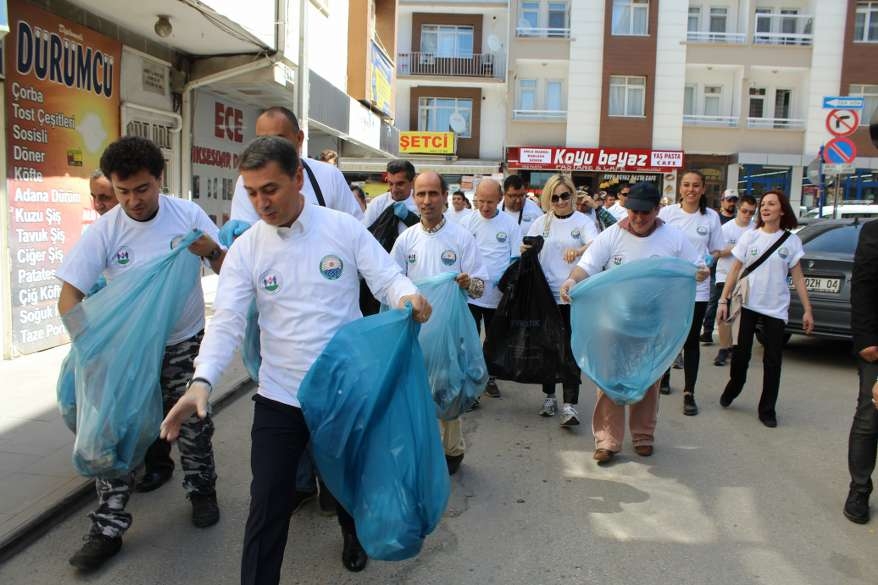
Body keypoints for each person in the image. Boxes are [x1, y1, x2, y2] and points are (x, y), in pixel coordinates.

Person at [161, 136, 430, 581]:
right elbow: (227, 321)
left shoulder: (342, 228)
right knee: (267, 505)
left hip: (341, 392)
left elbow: (386, 278)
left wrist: (408, 296)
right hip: (280, 395)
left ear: (298, 179)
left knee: (344, 483)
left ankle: (351, 534)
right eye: (251, 192)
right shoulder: (247, 249)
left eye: (270, 189)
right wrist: (202, 380)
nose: (261, 202)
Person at [57, 136, 225, 570]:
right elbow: (70, 295)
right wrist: (90, 348)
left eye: (142, 189)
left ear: (159, 180)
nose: (132, 200)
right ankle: (108, 527)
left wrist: (212, 251)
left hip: (183, 342)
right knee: (116, 434)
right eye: (122, 190)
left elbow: (229, 268)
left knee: (190, 425)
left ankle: (201, 489)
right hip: (129, 351)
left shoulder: (186, 216)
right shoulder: (107, 230)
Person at [560, 182, 707, 465]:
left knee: (648, 379)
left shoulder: (673, 238)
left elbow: (697, 265)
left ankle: (642, 435)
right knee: (609, 379)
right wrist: (571, 280)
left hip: (652, 323)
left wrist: (698, 274)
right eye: (633, 212)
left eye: (645, 213)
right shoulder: (612, 235)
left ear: (657, 210)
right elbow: (587, 265)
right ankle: (607, 440)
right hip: (613, 320)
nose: (638, 219)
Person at [391, 171, 488, 475]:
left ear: (445, 197)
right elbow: (391, 281)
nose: (426, 200)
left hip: (449, 335)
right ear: (414, 198)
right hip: (415, 334)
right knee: (414, 394)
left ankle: (452, 451)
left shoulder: (461, 238)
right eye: (420, 194)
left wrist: (467, 282)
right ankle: (422, 452)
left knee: (448, 391)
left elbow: (482, 286)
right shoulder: (406, 240)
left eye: (433, 194)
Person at [717, 190, 814, 428]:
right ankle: (734, 387)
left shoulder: (791, 241)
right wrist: (723, 299)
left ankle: (767, 409)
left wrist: (808, 310)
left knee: (773, 360)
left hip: (776, 308)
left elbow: (799, 279)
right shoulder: (750, 237)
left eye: (772, 204)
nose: (765, 208)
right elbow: (735, 269)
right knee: (741, 356)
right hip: (748, 303)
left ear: (782, 210)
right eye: (763, 205)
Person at [524, 174, 598, 427]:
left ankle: (570, 404)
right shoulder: (540, 222)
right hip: (545, 295)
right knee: (547, 348)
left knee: (569, 350)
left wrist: (578, 251)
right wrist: (526, 249)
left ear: (573, 196)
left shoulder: (583, 221)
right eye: (555, 197)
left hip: (573, 295)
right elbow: (526, 247)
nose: (560, 201)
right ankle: (549, 396)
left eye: (565, 196)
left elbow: (597, 244)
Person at [657, 170, 725, 415]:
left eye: (696, 185)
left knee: (691, 340)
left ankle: (689, 393)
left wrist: (709, 259)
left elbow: (717, 249)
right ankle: (663, 377)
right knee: (668, 335)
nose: (691, 189)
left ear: (703, 188)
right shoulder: (667, 214)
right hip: (671, 286)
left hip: (698, 287)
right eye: (686, 185)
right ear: (680, 188)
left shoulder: (711, 218)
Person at [228, 106, 363, 226]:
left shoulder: (329, 176)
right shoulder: (246, 182)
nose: (269, 148)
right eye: (262, 140)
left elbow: (356, 229)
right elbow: (244, 232)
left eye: (270, 190)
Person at [462, 179, 522, 400]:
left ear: (499, 199)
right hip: (471, 294)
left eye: (490, 202)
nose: (485, 207)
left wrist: (506, 282)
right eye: (481, 201)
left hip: (498, 296)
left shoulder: (510, 225)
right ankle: (472, 382)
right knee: (470, 337)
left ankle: (490, 377)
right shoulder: (467, 223)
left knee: (494, 338)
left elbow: (516, 258)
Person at [844, 218, 878, 524]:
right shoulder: (873, 232)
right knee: (871, 415)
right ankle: (860, 487)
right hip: (877, 346)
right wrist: (866, 339)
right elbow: (864, 286)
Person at [712, 195, 756, 366]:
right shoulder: (726, 229)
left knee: (741, 314)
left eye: (751, 213)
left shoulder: (755, 230)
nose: (747, 215)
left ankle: (736, 347)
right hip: (725, 274)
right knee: (723, 311)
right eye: (744, 211)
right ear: (738, 209)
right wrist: (736, 249)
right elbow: (716, 252)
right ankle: (723, 348)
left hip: (745, 277)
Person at [700, 189, 741, 343]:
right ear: (722, 201)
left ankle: (730, 340)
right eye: (729, 200)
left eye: (734, 200)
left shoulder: (739, 220)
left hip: (733, 268)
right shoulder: (715, 219)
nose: (731, 203)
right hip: (715, 266)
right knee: (713, 300)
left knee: (729, 303)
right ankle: (708, 331)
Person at [362, 159, 418, 234]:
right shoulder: (377, 204)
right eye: (391, 183)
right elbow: (365, 232)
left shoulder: (421, 203)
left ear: (412, 182)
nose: (394, 189)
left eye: (400, 184)